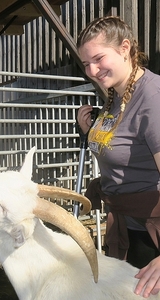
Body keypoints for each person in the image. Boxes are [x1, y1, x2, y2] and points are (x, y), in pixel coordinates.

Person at [76, 16, 160, 298]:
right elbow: (122, 144)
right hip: (130, 228)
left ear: (125, 48)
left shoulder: (153, 98)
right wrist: (90, 132)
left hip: (153, 236)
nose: (92, 70)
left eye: (98, 58)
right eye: (86, 64)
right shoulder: (116, 95)